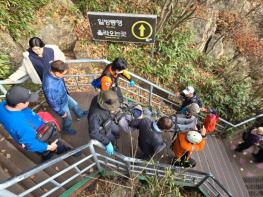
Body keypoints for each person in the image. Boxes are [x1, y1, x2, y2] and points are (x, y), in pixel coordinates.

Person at [0, 86, 69, 161]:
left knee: (42, 151)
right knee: (55, 144)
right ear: (19, 104)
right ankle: (64, 151)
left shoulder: (3, 105)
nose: (29, 101)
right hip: (40, 135)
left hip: (31, 132)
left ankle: (46, 155)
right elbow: (31, 144)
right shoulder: (20, 124)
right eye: (27, 100)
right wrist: (49, 147)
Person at [42, 60, 87, 135]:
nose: (64, 76)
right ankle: (66, 129)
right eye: (63, 74)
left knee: (75, 105)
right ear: (56, 73)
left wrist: (66, 92)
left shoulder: (52, 71)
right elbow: (51, 102)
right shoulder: (49, 86)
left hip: (64, 95)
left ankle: (80, 114)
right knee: (68, 118)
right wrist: (61, 112)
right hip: (60, 104)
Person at [88, 90, 122, 156]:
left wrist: (110, 112)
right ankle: (113, 146)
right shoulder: (95, 115)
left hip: (108, 120)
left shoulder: (99, 98)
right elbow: (93, 133)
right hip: (103, 127)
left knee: (117, 129)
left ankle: (116, 137)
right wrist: (107, 143)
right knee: (111, 138)